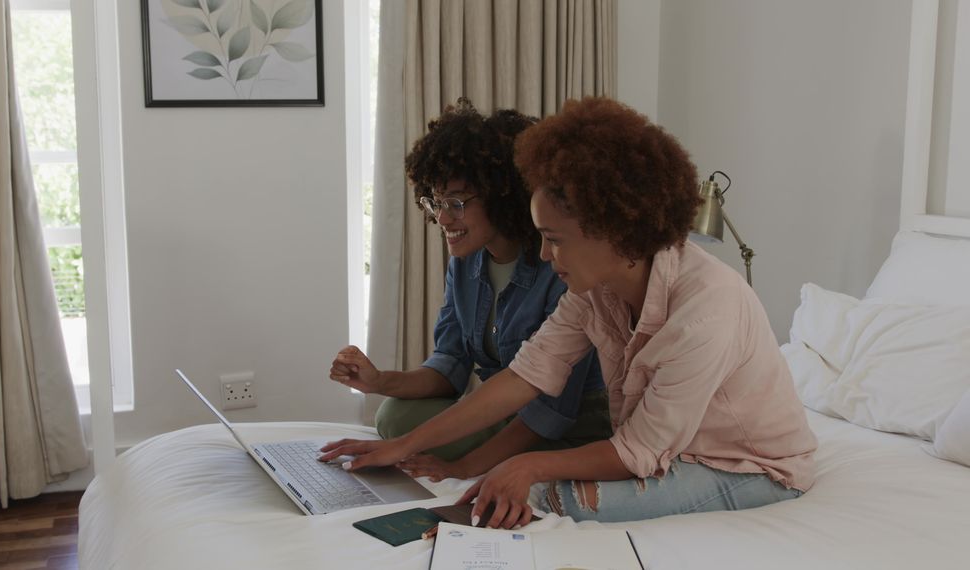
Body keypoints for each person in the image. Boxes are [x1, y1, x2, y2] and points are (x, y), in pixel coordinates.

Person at [321, 97, 818, 529]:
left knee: (543, 501)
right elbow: (523, 377)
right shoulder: (594, 290)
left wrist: (530, 467)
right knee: (509, 492)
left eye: (554, 240)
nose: (541, 255)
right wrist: (401, 445)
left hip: (745, 467)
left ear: (614, 231)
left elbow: (637, 453)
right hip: (666, 449)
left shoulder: (707, 309)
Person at [329, 99, 610, 481]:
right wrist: (380, 381)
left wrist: (462, 468)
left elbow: (550, 408)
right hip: (501, 409)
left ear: (503, 195)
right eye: (436, 202)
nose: (443, 219)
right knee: (394, 415)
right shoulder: (465, 264)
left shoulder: (559, 272)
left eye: (457, 203)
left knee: (404, 431)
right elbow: (451, 366)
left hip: (565, 422)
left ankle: (541, 458)